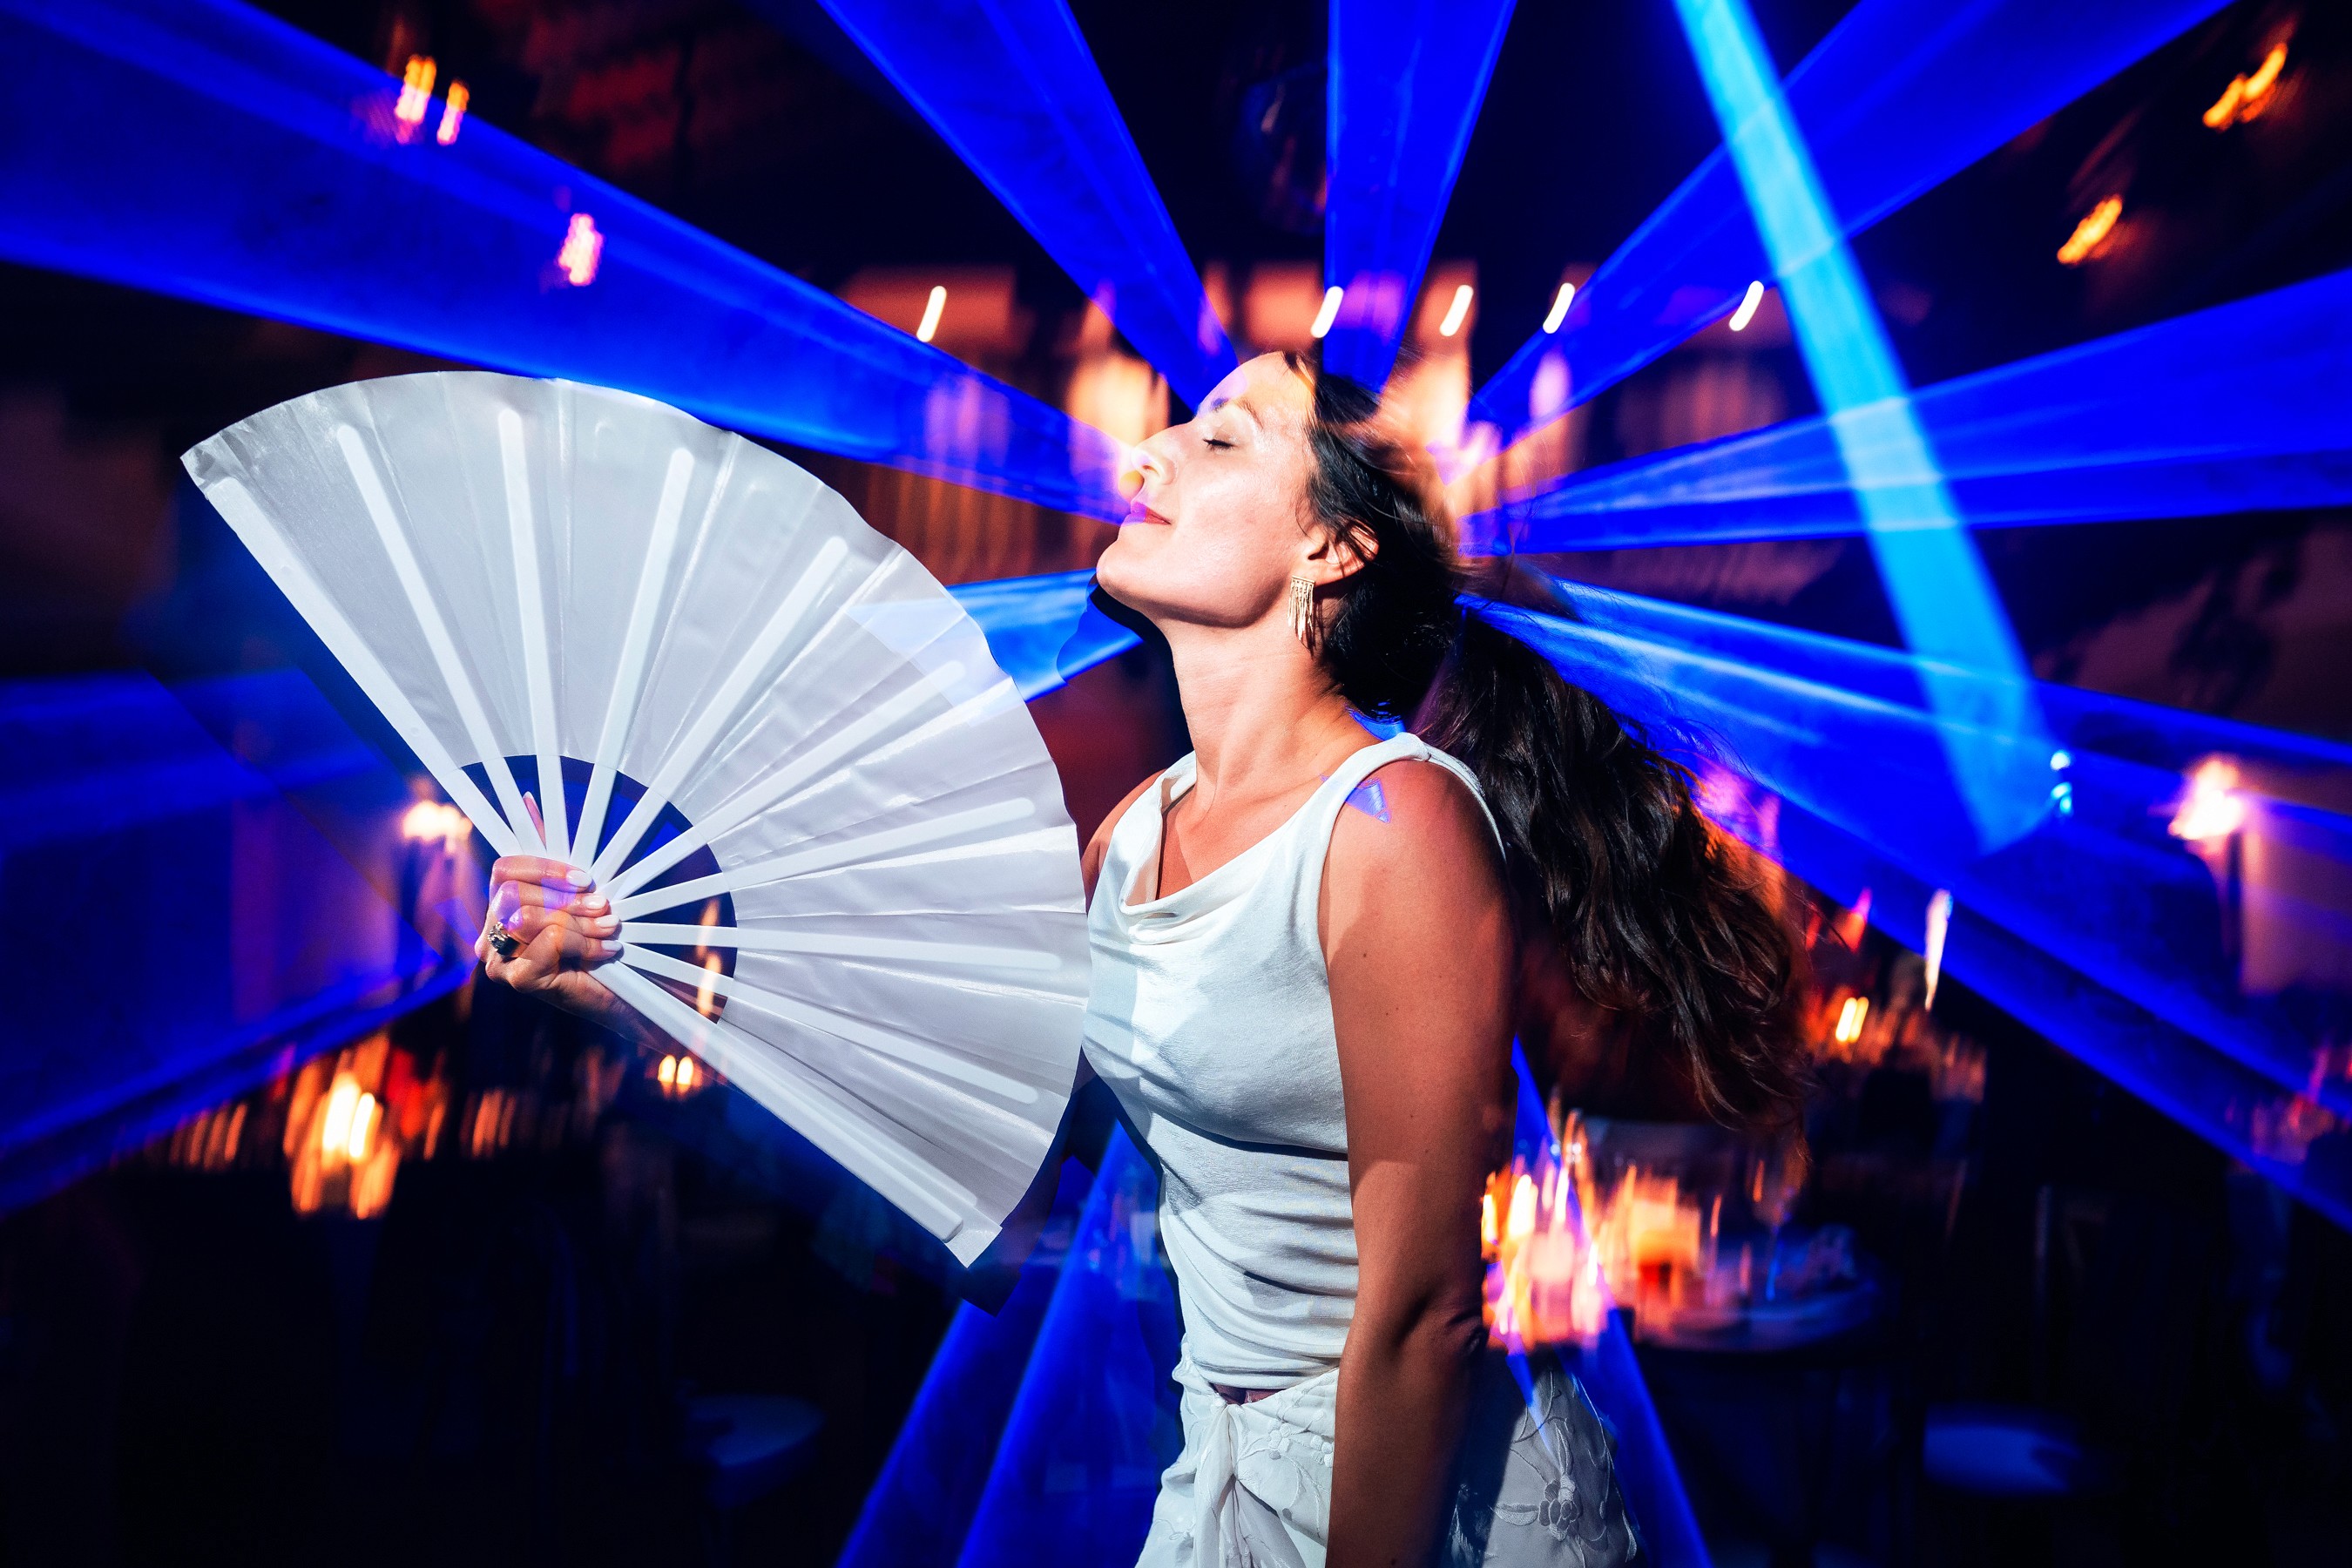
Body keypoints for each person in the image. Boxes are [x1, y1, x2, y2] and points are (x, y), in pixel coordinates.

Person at [477, 351, 1810, 1566]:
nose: (1149, 454)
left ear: (1333, 548)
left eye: (1221, 440)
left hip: (1421, 1509)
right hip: (1217, 1486)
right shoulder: (1131, 838)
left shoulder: (1395, 826)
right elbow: (982, 1168)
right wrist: (636, 992)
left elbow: (1421, 1323)